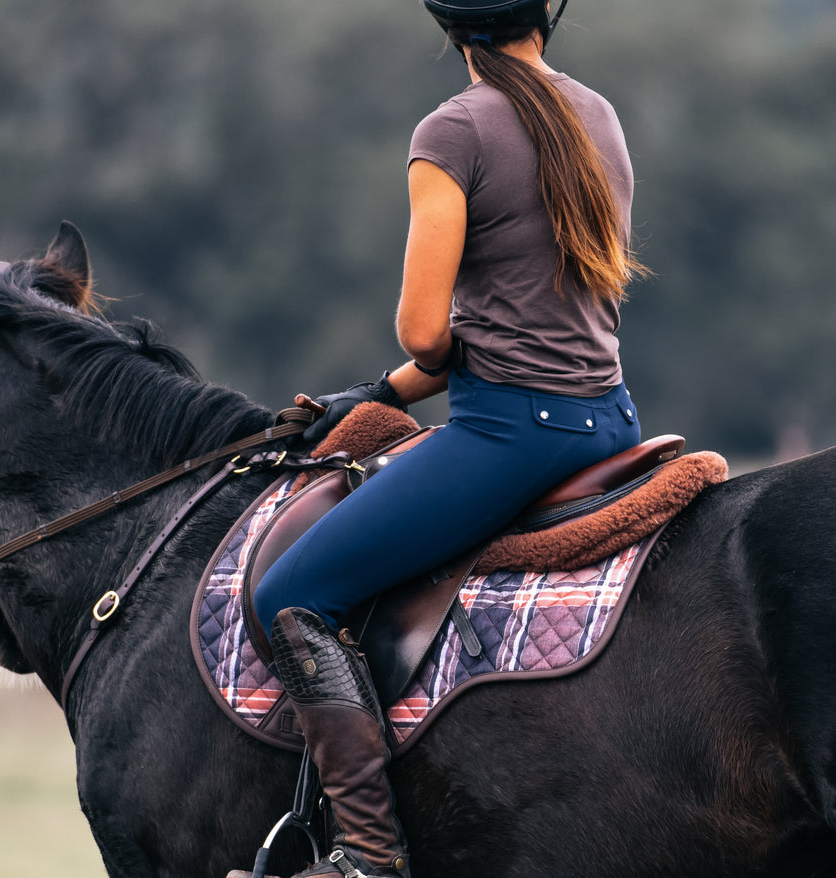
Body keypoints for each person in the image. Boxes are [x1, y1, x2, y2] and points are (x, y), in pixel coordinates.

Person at [256, 2, 650, 875]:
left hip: (512, 434)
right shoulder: (598, 115)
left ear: (452, 26)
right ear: (546, 13)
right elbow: (531, 322)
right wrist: (375, 396)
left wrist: (404, 369)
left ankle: (367, 854)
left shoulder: (453, 130)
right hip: (610, 418)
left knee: (292, 595)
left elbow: (428, 333)